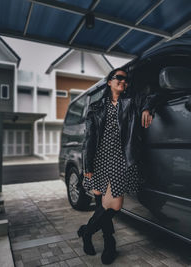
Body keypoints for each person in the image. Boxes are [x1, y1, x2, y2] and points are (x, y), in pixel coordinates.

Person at [77, 67, 162, 265]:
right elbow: (89, 138)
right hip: (99, 158)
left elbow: (155, 95)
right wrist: (87, 165)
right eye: (119, 78)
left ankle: (87, 232)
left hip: (119, 159)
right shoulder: (96, 107)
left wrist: (148, 108)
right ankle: (109, 243)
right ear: (109, 82)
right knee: (100, 203)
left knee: (114, 205)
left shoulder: (133, 101)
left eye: (126, 80)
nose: (124, 82)